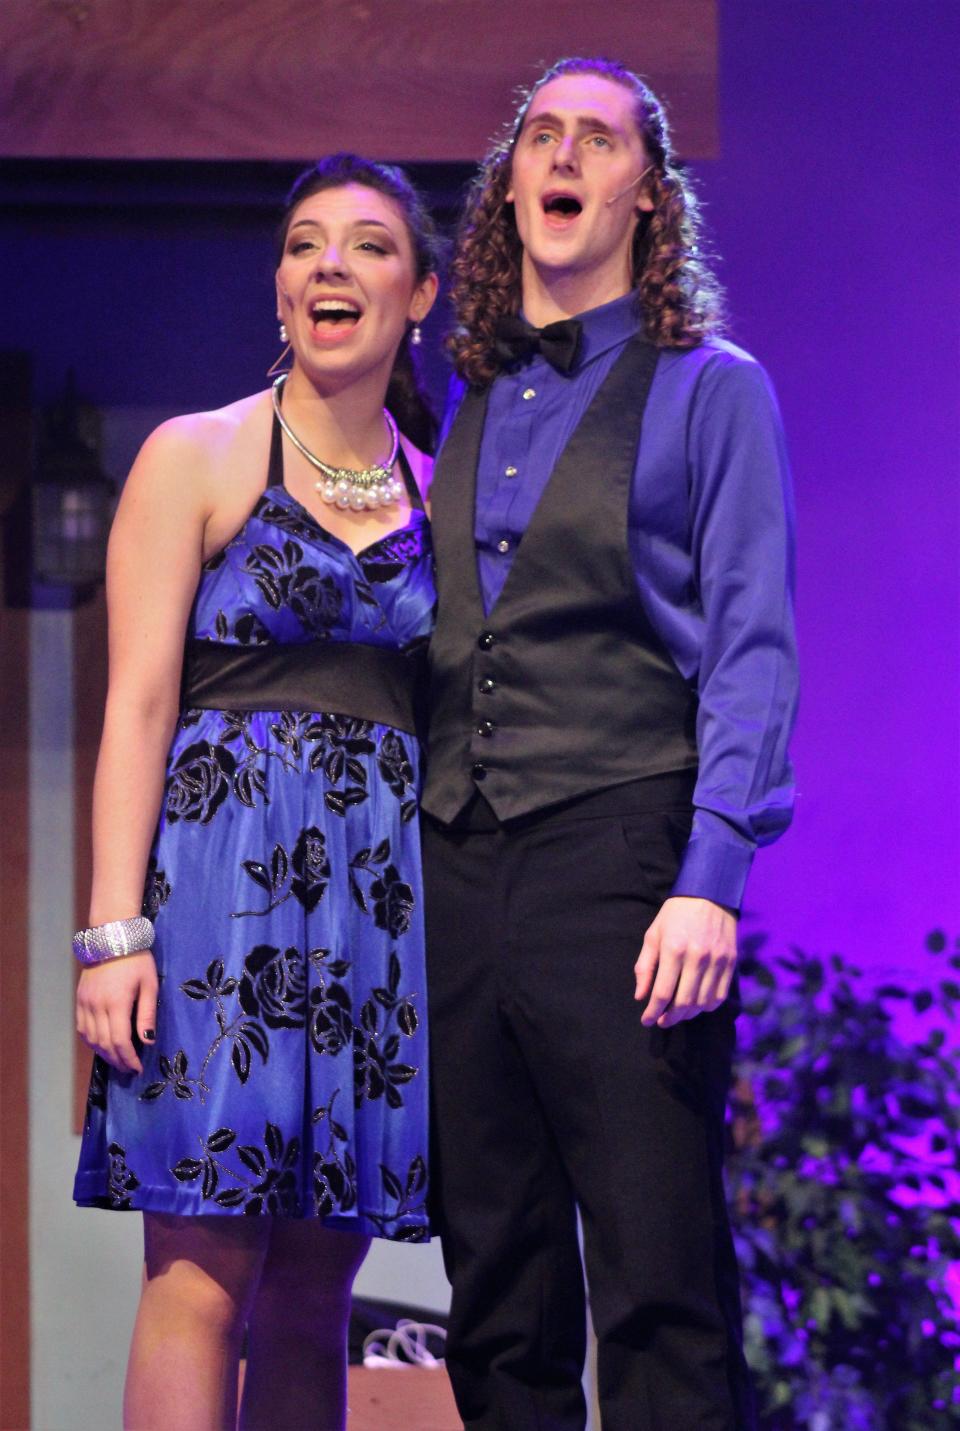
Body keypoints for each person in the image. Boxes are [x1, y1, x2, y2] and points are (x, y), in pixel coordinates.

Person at [422, 57, 798, 1430]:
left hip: (624, 856)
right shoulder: (463, 399)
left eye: (600, 137)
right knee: (496, 1281)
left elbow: (754, 648)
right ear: (514, 182)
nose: (565, 154)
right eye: (543, 134)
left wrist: (711, 872)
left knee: (653, 1274)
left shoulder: (711, 390)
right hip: (464, 861)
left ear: (647, 194)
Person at [73, 153, 440, 1431]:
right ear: (281, 289)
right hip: (218, 906)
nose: (328, 262)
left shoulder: (441, 496)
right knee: (200, 1275)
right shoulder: (201, 452)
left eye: (368, 243)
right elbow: (138, 706)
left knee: (314, 1289)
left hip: (372, 918)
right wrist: (114, 934)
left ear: (423, 293)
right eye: (303, 242)